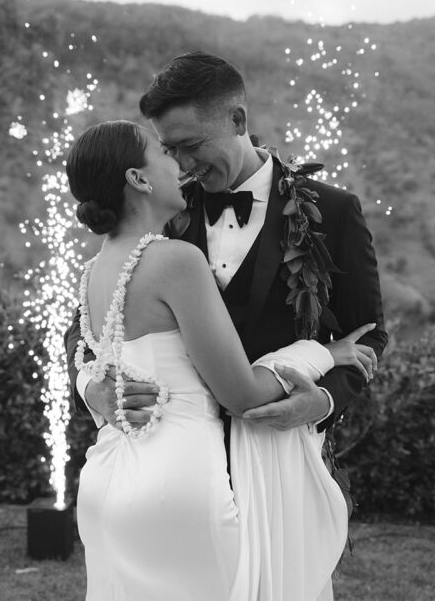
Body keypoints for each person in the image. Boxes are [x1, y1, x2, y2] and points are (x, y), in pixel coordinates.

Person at [67, 52, 387, 599]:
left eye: (191, 146)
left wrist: (322, 402)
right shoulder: (160, 213)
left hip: (276, 456)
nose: (183, 163)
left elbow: (367, 334)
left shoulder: (333, 213)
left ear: (237, 121)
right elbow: (91, 322)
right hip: (177, 462)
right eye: (168, 149)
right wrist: (95, 385)